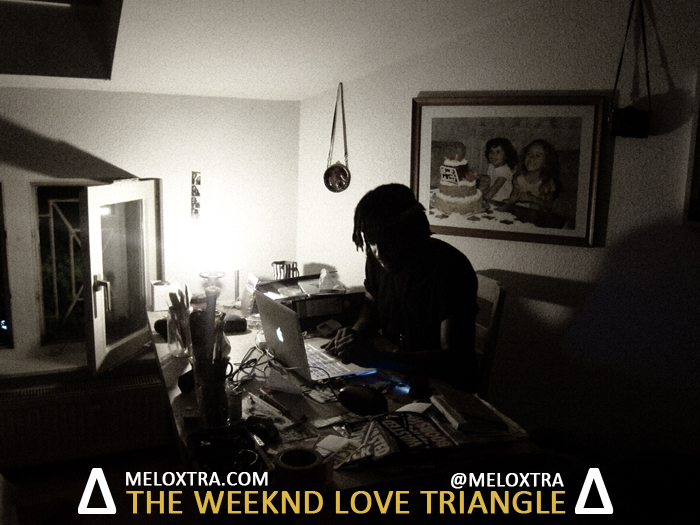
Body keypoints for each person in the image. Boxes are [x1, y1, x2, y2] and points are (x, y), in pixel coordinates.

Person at [322, 184, 480, 393]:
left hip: (444, 388)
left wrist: (379, 359)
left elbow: (453, 358)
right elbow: (371, 305)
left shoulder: (451, 270)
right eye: (371, 241)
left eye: (387, 240)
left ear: (412, 232)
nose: (378, 252)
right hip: (398, 374)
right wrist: (354, 333)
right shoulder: (377, 260)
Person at [504, 139, 559, 211]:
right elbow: (513, 197)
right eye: (529, 154)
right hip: (520, 209)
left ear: (546, 162)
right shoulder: (519, 178)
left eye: (537, 155)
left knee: (535, 207)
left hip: (537, 213)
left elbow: (549, 206)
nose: (531, 157)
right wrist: (509, 201)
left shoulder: (546, 182)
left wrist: (533, 198)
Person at [482, 137, 518, 202]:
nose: (493, 155)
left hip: (501, 201)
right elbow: (489, 180)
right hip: (493, 198)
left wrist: (484, 198)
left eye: (498, 152)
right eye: (491, 151)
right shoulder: (491, 166)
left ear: (506, 155)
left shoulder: (504, 171)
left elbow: (495, 188)